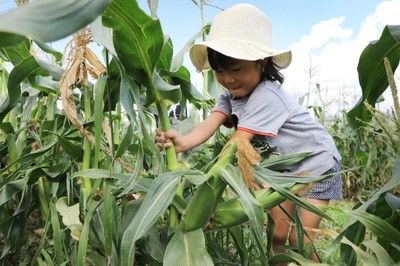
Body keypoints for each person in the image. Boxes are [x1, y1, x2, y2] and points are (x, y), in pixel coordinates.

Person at [155, 3, 342, 264]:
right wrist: (183, 141)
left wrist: (206, 206)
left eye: (236, 69)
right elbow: (212, 121)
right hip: (280, 172)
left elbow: (235, 146)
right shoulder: (230, 94)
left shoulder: (267, 96)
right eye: (220, 71)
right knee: (277, 234)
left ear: (261, 62)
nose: (228, 79)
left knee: (300, 239)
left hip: (316, 166)